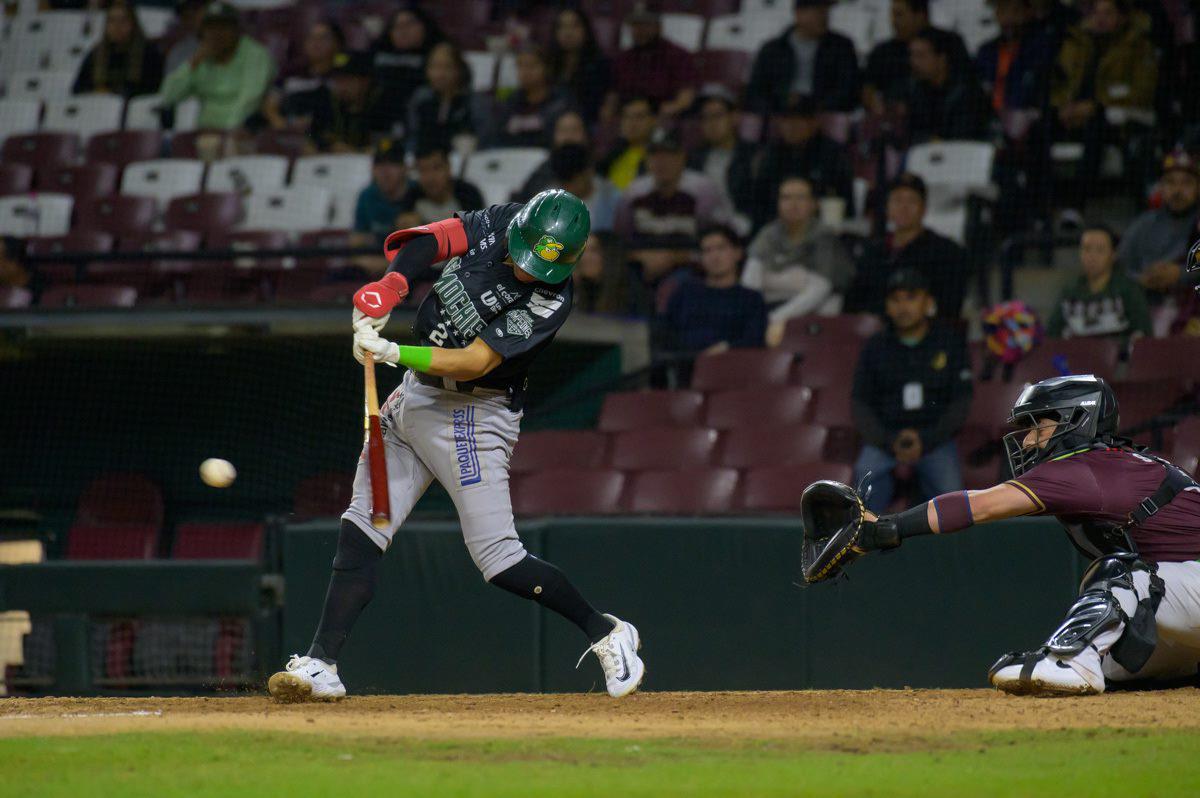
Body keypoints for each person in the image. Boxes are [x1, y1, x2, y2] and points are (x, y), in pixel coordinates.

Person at [267, 190, 645, 702]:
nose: (528, 270)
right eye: (526, 256)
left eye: (542, 267)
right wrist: (390, 286)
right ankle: (322, 664)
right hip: (416, 397)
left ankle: (606, 633)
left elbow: (474, 361)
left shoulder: (550, 299)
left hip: (473, 414)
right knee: (363, 525)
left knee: (500, 559)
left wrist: (393, 349)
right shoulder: (504, 221)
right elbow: (433, 240)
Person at [823, 373, 1200, 696]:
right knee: (1118, 665)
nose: (1029, 440)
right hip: (1189, 594)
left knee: (1117, 576)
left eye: (1039, 425)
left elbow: (980, 505)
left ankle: (1067, 660)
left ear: (1076, 420)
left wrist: (885, 529)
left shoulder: (1082, 467)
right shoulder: (1109, 464)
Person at [851, 269, 972, 514]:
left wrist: (927, 440)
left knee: (954, 496)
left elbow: (961, 402)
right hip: (885, 439)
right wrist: (887, 440)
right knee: (862, 484)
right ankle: (865, 546)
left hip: (935, 440)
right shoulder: (875, 346)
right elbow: (860, 403)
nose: (902, 307)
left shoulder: (949, 342)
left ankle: (945, 551)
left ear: (928, 302)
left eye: (910, 298)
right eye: (895, 300)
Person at [1050, 0, 1158, 217]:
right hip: (1074, 116)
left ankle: (1075, 206)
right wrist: (1063, 106)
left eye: (1108, 13)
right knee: (1039, 128)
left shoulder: (1139, 46)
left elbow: (1142, 91)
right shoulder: (1078, 44)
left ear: (1123, 17)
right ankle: (1038, 211)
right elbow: (1058, 82)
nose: (1100, 18)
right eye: (1096, 12)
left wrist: (1097, 106)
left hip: (1117, 122)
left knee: (1095, 127)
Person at [614, 128, 735, 286]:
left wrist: (672, 259)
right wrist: (640, 257)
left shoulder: (703, 190)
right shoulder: (633, 192)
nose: (661, 162)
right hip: (641, 264)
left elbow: (714, 242)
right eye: (655, 155)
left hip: (688, 267)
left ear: (682, 157)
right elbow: (620, 241)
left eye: (669, 155)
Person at [744, 177, 854, 345]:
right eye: (786, 197)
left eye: (800, 198)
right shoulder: (769, 233)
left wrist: (776, 317)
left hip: (815, 313)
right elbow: (751, 278)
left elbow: (822, 287)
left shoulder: (824, 235)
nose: (793, 204)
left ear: (813, 204)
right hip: (771, 308)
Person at [845, 173, 969, 320]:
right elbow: (852, 303)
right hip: (873, 333)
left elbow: (948, 307)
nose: (904, 208)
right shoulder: (873, 251)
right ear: (887, 208)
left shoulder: (946, 252)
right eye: (897, 200)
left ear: (924, 208)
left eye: (911, 201)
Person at [159, 1, 276, 130]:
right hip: (204, 133)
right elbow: (168, 96)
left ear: (237, 30)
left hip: (242, 132)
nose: (216, 33)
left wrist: (225, 133)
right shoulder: (201, 58)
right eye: (210, 28)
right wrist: (192, 63)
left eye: (223, 27)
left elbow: (249, 102)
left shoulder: (255, 54)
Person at [660, 224, 768, 358]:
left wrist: (724, 349)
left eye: (721, 248)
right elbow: (665, 334)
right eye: (707, 250)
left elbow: (754, 341)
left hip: (733, 367)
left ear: (737, 253)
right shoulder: (685, 293)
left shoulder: (751, 299)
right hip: (686, 368)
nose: (714, 256)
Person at [750, 93, 854, 229]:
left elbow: (844, 201)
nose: (791, 126)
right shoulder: (771, 154)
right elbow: (759, 199)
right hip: (777, 228)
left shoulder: (832, 154)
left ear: (814, 122)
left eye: (798, 120)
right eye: (786, 120)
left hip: (821, 228)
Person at [746, 0, 860, 115]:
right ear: (798, 13)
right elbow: (756, 91)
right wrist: (782, 100)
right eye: (818, 12)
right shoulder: (773, 49)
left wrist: (812, 104)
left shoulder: (841, 47)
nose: (824, 17)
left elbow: (849, 91)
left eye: (826, 12)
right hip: (779, 115)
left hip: (824, 115)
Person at [1046, 224, 1152, 341]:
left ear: (1113, 255)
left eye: (1100, 250)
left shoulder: (1129, 290)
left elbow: (1143, 335)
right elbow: (1052, 334)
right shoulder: (1069, 291)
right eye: (1086, 249)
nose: (1092, 256)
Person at [863, 0, 971, 114]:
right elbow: (868, 89)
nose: (893, 21)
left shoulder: (949, 43)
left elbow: (966, 83)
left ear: (920, 16)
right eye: (892, 15)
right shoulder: (882, 52)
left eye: (899, 15)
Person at [1117, 151, 1200, 293]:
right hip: (1144, 303)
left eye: (1186, 183)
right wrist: (1142, 279)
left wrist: (1179, 274)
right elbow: (1119, 268)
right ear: (1160, 187)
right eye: (1170, 182)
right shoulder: (1143, 224)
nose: (1177, 190)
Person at [608, 4, 697, 119]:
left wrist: (676, 106)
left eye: (645, 25)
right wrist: (609, 111)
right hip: (628, 118)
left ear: (658, 26)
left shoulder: (678, 55)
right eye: (636, 25)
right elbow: (613, 95)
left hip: (663, 118)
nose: (640, 31)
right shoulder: (623, 59)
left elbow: (686, 95)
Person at [905, 29, 992, 143]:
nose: (914, 62)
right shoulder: (917, 89)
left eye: (921, 56)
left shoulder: (968, 93)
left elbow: (962, 139)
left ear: (942, 59)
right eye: (912, 55)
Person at [405, 41, 485, 156]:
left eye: (447, 67)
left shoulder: (476, 102)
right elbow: (413, 136)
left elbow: (485, 141)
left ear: (459, 70)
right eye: (434, 67)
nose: (439, 74)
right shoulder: (420, 99)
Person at [371, 5, 442, 132]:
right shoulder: (377, 54)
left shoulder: (437, 54)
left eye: (410, 24)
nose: (402, 31)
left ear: (425, 26)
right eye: (396, 26)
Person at [263, 20, 344, 131]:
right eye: (311, 38)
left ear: (337, 43)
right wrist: (283, 126)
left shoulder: (343, 74)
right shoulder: (290, 72)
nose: (316, 43)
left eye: (323, 38)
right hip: (290, 131)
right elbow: (270, 106)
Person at [687, 88, 756, 218]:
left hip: (742, 226)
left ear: (734, 117)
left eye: (717, 116)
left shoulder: (753, 156)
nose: (711, 124)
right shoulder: (694, 158)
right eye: (705, 118)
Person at [72, 1, 164, 97]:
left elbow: (154, 90)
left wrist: (118, 93)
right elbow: (77, 89)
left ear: (133, 24)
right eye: (112, 21)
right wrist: (99, 92)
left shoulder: (149, 53)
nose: (117, 26)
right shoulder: (96, 54)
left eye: (123, 21)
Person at [489, 46, 574, 149]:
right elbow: (499, 135)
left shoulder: (562, 101)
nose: (525, 72)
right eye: (520, 66)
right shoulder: (512, 100)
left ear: (547, 69)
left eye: (532, 66)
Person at [307, 51, 388, 152]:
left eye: (348, 80)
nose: (342, 86)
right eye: (337, 80)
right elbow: (313, 138)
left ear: (365, 81)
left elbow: (386, 143)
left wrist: (354, 152)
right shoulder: (327, 102)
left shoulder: (383, 105)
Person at [546, 7, 610, 124]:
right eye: (562, 27)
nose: (568, 32)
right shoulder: (548, 64)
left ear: (586, 30)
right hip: (552, 125)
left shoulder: (601, 65)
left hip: (587, 125)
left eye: (574, 26)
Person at [395, 146, 485, 228]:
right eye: (423, 170)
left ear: (448, 168)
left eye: (436, 168)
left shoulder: (468, 194)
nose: (430, 177)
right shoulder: (412, 196)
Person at [515, 110, 591, 200]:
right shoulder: (542, 176)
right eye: (564, 131)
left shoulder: (597, 171)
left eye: (575, 130)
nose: (569, 137)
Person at [548, 144, 620, 233]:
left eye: (573, 181)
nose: (569, 188)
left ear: (588, 171)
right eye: (564, 183)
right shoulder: (549, 202)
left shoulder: (612, 198)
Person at [353, 140, 409, 247]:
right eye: (380, 164)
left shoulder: (416, 191)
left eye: (393, 163)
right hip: (381, 259)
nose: (385, 171)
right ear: (373, 169)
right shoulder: (367, 196)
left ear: (404, 168)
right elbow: (355, 241)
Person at [574, 232, 641, 315]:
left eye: (594, 250)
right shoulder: (583, 291)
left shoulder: (632, 295)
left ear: (610, 256)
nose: (584, 257)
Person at [600, 96, 656, 190]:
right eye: (627, 117)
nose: (632, 123)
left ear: (653, 120)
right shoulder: (612, 153)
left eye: (639, 117)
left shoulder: (658, 156)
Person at [163, 0, 205, 74]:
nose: (192, 21)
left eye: (196, 10)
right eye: (186, 17)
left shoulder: (227, 42)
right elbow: (172, 82)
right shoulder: (178, 52)